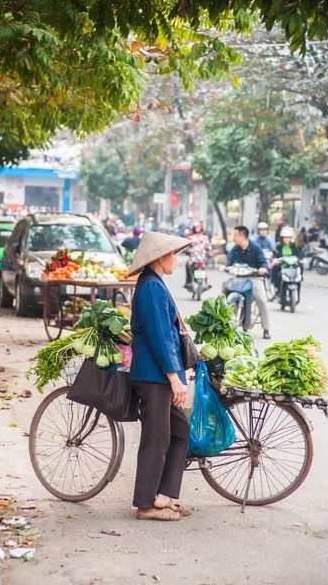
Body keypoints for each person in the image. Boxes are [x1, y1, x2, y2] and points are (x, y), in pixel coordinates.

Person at [128, 231, 192, 521]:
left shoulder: (155, 284)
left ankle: (163, 496)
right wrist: (174, 378)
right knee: (156, 440)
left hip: (160, 375)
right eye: (173, 254)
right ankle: (145, 505)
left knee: (179, 433)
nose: (176, 260)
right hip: (154, 377)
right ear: (160, 257)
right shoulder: (152, 287)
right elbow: (160, 337)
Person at [221, 225, 271, 339]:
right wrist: (225, 266)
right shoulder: (235, 249)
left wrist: (263, 268)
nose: (233, 238)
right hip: (238, 276)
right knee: (224, 287)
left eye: (235, 236)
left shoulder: (256, 248)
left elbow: (263, 262)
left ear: (242, 237)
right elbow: (229, 260)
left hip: (253, 278)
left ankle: (266, 328)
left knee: (262, 301)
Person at [271, 227, 303, 292]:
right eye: (285, 238)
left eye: (288, 238)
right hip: (282, 264)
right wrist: (275, 260)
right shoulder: (278, 246)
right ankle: (276, 285)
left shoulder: (293, 246)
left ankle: (299, 280)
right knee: (274, 268)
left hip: (292, 264)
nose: (287, 239)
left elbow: (299, 254)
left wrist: (301, 259)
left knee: (301, 266)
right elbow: (275, 254)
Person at [184, 222, 212, 289]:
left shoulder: (190, 238)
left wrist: (186, 251)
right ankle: (206, 282)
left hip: (193, 259)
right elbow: (209, 248)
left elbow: (186, 248)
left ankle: (188, 282)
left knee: (187, 266)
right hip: (202, 259)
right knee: (204, 268)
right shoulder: (205, 238)